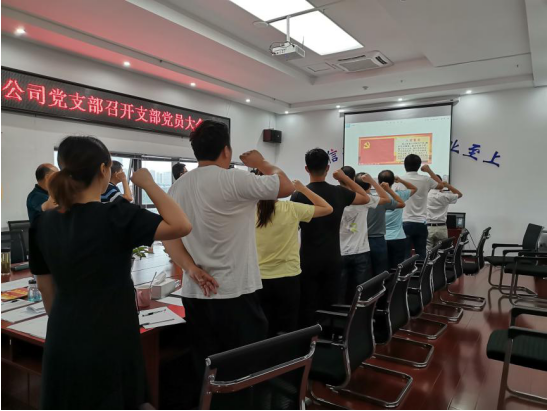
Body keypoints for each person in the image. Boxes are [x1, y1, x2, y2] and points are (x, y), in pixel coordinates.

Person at [29, 136, 192, 409]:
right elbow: (181, 224)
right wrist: (148, 184)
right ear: (104, 170)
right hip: (111, 333)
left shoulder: (42, 223)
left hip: (62, 334)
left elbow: (46, 291)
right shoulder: (116, 214)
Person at [163, 120, 294, 403]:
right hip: (235, 293)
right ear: (226, 150)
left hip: (195, 294)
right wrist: (261, 162)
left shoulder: (178, 187)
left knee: (206, 365)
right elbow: (285, 186)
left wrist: (191, 268)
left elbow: (169, 238)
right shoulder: (235, 179)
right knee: (243, 370)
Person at [291, 148, 371, 327]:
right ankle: (329, 336)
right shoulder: (339, 192)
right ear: (327, 168)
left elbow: (294, 227)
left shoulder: (298, 194)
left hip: (308, 258)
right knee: (330, 303)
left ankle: (307, 338)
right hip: (333, 257)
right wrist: (345, 178)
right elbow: (365, 198)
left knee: (308, 303)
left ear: (306, 169)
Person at [255, 179, 333, 337]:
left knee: (264, 326)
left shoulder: (248, 210)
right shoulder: (291, 208)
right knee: (287, 326)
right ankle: (288, 353)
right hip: (288, 275)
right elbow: (327, 208)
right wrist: (302, 189)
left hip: (258, 277)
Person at [338, 166, 389, 303]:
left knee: (340, 292)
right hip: (360, 250)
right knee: (362, 293)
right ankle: (360, 315)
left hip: (339, 251)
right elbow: (385, 198)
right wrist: (372, 181)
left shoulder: (333, 196)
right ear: (353, 179)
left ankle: (340, 315)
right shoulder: (363, 199)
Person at [401, 154, 443, 260]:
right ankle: (422, 271)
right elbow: (441, 185)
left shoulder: (399, 180)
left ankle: (407, 271)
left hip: (404, 221)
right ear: (419, 166)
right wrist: (429, 171)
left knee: (405, 256)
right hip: (421, 222)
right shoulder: (426, 179)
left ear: (404, 165)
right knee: (422, 254)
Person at [363, 173, 405, 277]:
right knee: (381, 273)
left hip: (360, 240)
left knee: (364, 274)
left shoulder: (351, 200)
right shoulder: (378, 200)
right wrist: (387, 189)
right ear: (370, 185)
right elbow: (401, 203)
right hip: (379, 239)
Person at [379, 170, 417, 269]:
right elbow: (414, 188)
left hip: (380, 239)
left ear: (378, 182)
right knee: (397, 269)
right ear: (392, 182)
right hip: (397, 237)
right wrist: (400, 180)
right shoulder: (399, 196)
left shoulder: (375, 198)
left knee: (382, 269)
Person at [427, 176, 463, 249]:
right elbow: (459, 194)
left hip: (428, 227)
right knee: (442, 252)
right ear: (440, 184)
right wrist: (447, 185)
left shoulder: (424, 195)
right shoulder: (444, 196)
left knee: (427, 252)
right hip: (441, 227)